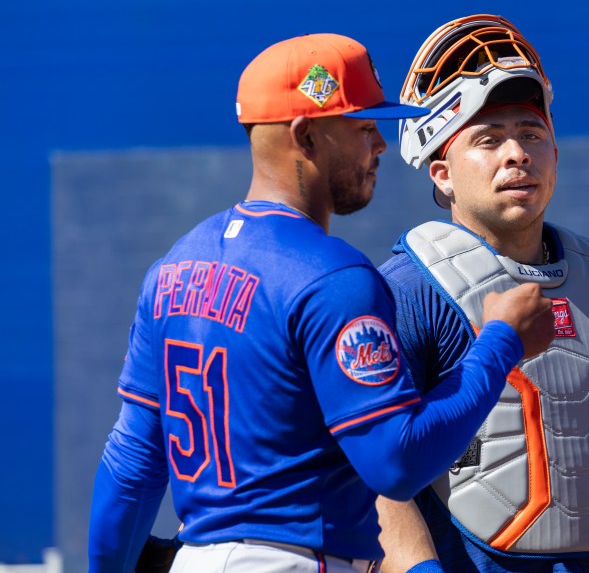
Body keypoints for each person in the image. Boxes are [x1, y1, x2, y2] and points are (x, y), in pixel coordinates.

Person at [87, 33, 556, 573]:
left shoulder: (174, 267)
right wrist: (499, 343)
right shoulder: (332, 277)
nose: (379, 143)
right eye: (361, 127)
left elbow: (133, 467)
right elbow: (396, 462)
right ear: (305, 136)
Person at [373, 14, 589, 573]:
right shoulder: (407, 291)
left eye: (530, 133)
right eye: (488, 139)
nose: (517, 154)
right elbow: (371, 466)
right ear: (442, 173)